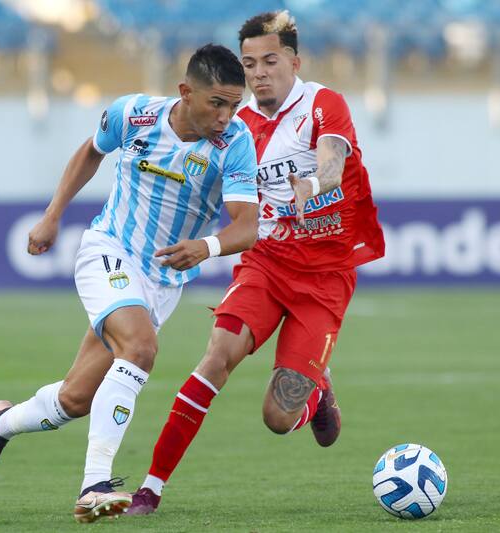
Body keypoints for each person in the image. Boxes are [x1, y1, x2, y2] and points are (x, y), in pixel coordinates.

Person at [0, 44, 260, 523]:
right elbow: (89, 152)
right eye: (216, 104)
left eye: (233, 106)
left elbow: (247, 225)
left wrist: (207, 247)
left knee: (75, 399)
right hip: (109, 249)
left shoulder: (236, 143)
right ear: (185, 92)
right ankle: (95, 484)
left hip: (163, 280)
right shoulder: (134, 114)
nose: (226, 117)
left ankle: (3, 423)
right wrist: (52, 216)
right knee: (140, 348)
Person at [127, 10, 386, 514]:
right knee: (216, 357)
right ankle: (150, 488)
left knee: (277, 417)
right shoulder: (236, 127)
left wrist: (310, 185)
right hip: (265, 264)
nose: (259, 72)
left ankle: (316, 391)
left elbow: (333, 162)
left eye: (270, 61)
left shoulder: (322, 104)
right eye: (249, 64)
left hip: (325, 277)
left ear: (294, 60)